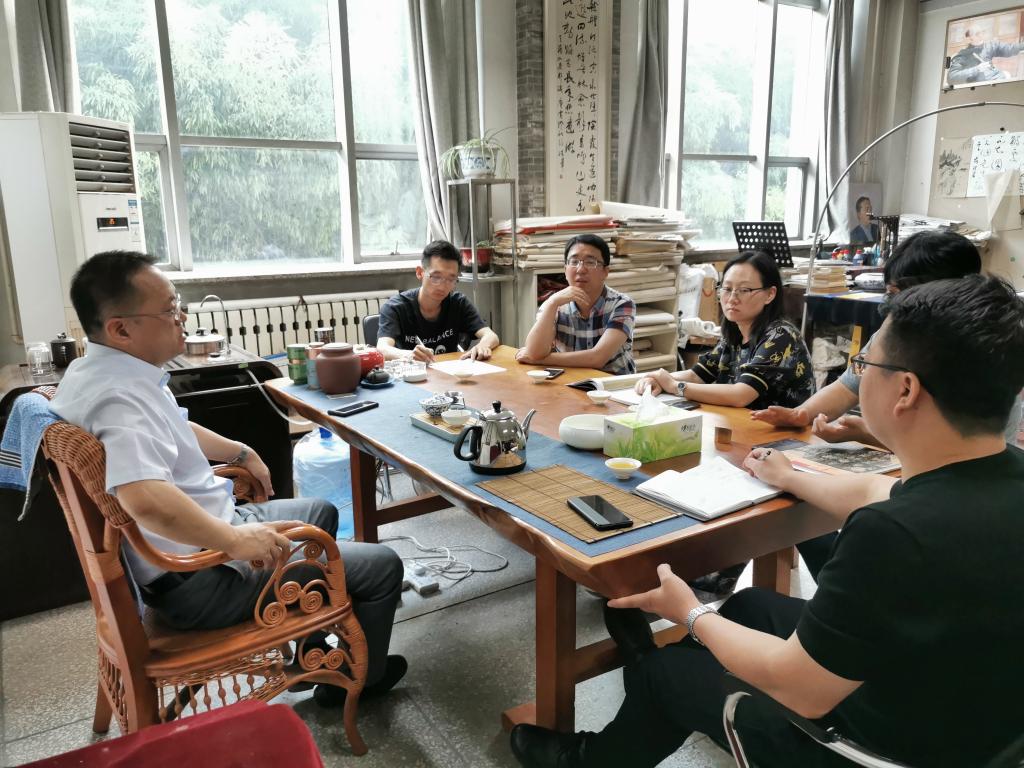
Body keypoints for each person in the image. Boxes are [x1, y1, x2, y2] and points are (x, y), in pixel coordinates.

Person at [510, 274, 1024, 768]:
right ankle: (661, 680)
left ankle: (600, 746)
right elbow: (877, 489)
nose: (858, 375)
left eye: (865, 364)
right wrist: (790, 476)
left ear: (905, 390)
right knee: (750, 605)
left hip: (871, 747)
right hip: (969, 712)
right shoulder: (997, 475)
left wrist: (689, 612)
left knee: (666, 670)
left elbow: (800, 686)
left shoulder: (891, 535)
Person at [50, 251, 407, 709]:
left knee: (319, 511)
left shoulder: (101, 371)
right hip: (201, 579)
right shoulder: (119, 398)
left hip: (199, 543)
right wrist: (234, 540)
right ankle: (361, 681)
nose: (182, 318)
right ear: (121, 329)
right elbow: (144, 500)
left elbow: (176, 428)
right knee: (382, 566)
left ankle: (313, 653)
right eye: (170, 310)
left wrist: (242, 452)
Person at [750, 231, 1019, 451]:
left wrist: (868, 435)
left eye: (900, 294)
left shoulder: (979, 350)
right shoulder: (889, 337)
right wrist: (803, 413)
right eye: (890, 293)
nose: (893, 306)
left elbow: (950, 448)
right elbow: (849, 384)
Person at [634, 251, 814, 411]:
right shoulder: (735, 333)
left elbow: (740, 395)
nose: (732, 298)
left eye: (744, 290)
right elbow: (697, 375)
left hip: (783, 435)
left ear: (770, 294)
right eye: (727, 289)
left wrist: (675, 386)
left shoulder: (781, 335)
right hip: (745, 425)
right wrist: (657, 379)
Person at [516, 234, 635, 375]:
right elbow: (535, 352)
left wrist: (541, 361)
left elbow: (597, 358)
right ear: (565, 269)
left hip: (613, 384)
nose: (580, 269)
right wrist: (552, 303)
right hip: (570, 382)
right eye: (574, 261)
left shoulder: (622, 304)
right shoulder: (554, 303)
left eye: (590, 262)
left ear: (605, 272)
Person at [377, 239, 500, 363]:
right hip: (411, 372)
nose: (442, 286)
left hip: (449, 372)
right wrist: (408, 355)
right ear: (420, 273)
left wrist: (482, 346)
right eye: (436, 277)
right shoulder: (396, 307)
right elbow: (382, 348)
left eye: (451, 279)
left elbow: (491, 336)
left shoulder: (458, 303)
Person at [947, 26, 1024, 85]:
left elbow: (1010, 48)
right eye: (976, 33)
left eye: (981, 32)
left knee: (1008, 75)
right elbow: (951, 78)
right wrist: (977, 69)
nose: (981, 35)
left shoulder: (989, 45)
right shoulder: (962, 54)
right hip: (981, 85)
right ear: (969, 37)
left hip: (996, 78)